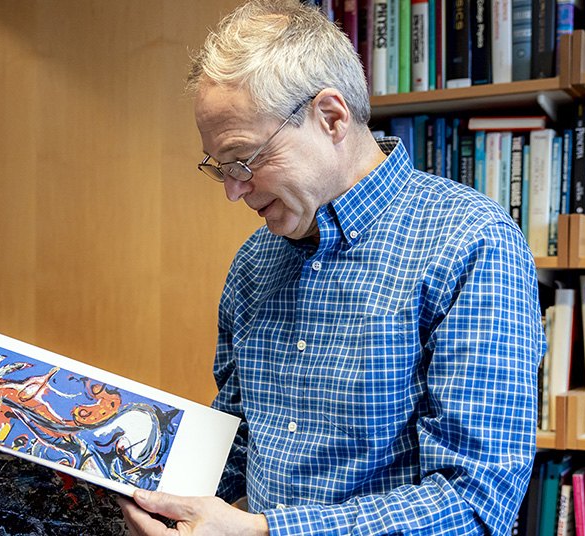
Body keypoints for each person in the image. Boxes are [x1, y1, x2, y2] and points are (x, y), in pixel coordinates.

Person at [119, 1, 545, 534]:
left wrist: (264, 532)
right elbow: (237, 449)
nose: (233, 192)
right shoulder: (254, 263)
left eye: (245, 160)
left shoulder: (471, 243)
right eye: (221, 169)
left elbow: (475, 505)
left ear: (332, 117)